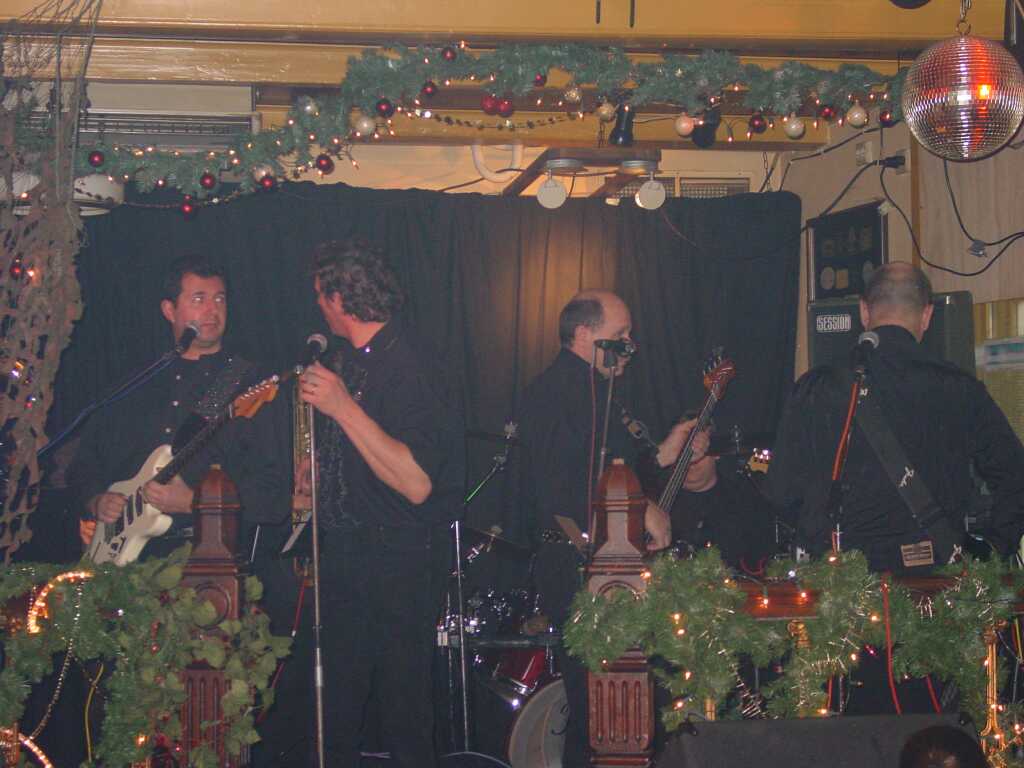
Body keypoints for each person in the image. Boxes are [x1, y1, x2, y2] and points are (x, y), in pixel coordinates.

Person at [506, 289, 716, 768]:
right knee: (596, 704)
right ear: (584, 334)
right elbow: (562, 487)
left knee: (618, 702)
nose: (629, 346)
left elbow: (619, 468)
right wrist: (641, 508)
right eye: (619, 335)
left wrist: (669, 449)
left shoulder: (600, 395)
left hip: (606, 563)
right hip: (576, 562)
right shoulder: (556, 393)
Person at [294, 238, 464, 767]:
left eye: (320, 296)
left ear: (338, 299)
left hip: (397, 560)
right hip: (348, 556)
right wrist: (320, 471)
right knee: (336, 710)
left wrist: (343, 409)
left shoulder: (410, 363)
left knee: (403, 711)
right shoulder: (351, 360)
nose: (318, 307)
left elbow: (417, 482)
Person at [766, 262, 1024, 572]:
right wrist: (994, 548)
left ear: (864, 311)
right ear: (927, 315)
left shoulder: (817, 387)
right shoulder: (960, 388)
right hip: (938, 580)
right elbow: (1015, 476)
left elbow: (782, 493)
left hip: (845, 585)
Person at [70, 255, 288, 561]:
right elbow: (84, 464)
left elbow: (274, 493)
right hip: (125, 563)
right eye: (199, 299)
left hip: (210, 558)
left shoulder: (249, 383)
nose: (212, 309)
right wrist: (96, 500)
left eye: (219, 298)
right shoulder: (135, 383)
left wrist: (194, 502)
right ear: (169, 310)